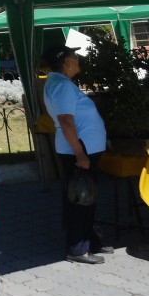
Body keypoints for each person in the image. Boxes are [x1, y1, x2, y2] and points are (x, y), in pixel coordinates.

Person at [41, 44, 111, 265]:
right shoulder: (61, 86)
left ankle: (89, 242)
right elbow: (66, 121)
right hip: (79, 152)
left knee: (87, 198)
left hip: (84, 150)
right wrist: (80, 154)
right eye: (74, 56)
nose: (78, 59)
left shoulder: (61, 83)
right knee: (80, 200)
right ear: (67, 62)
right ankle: (77, 248)